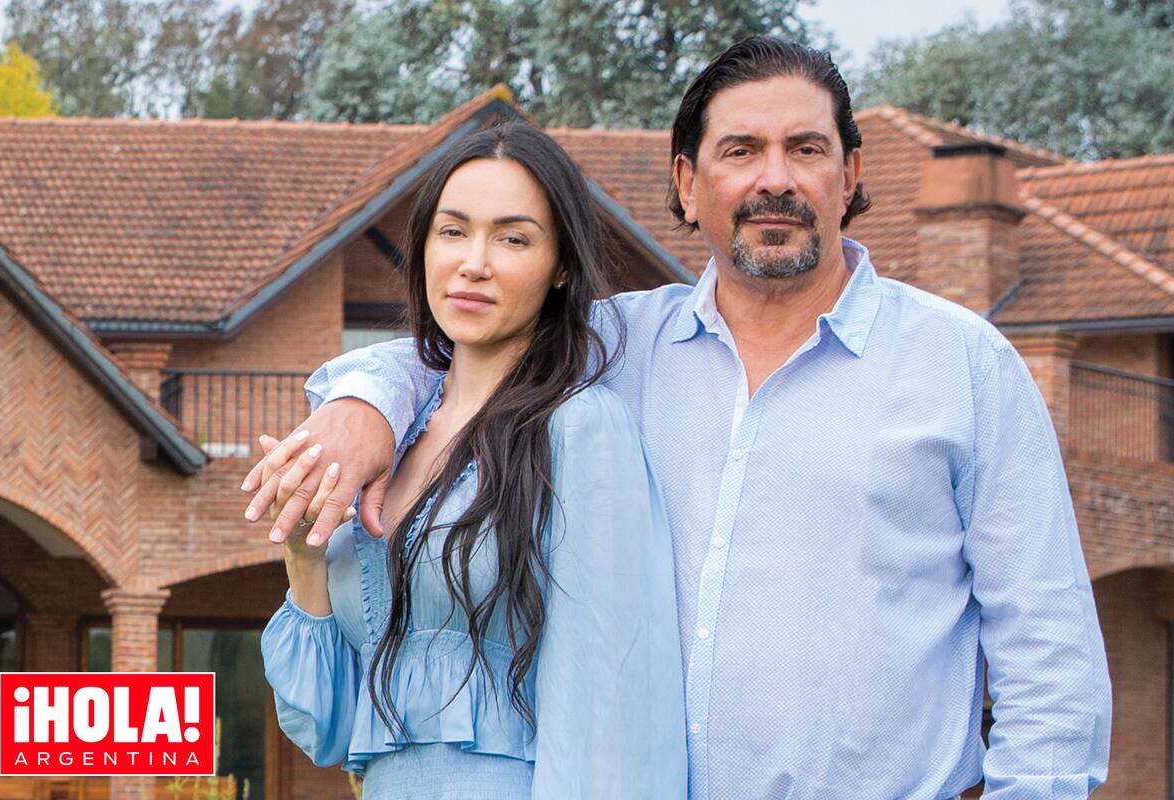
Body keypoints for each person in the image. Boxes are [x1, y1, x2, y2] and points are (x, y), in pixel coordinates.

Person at [246, 37, 1112, 799]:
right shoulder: (619, 346)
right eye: (741, 150)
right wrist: (361, 406)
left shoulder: (962, 364)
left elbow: (1049, 650)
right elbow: (470, 337)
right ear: (689, 185)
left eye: (805, 148)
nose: (775, 177)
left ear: (850, 176)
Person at [257, 122, 687, 799]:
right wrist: (305, 557)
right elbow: (327, 730)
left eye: (513, 238)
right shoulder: (389, 441)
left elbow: (613, 706)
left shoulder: (580, 428)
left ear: (562, 266)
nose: (474, 261)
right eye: (452, 231)